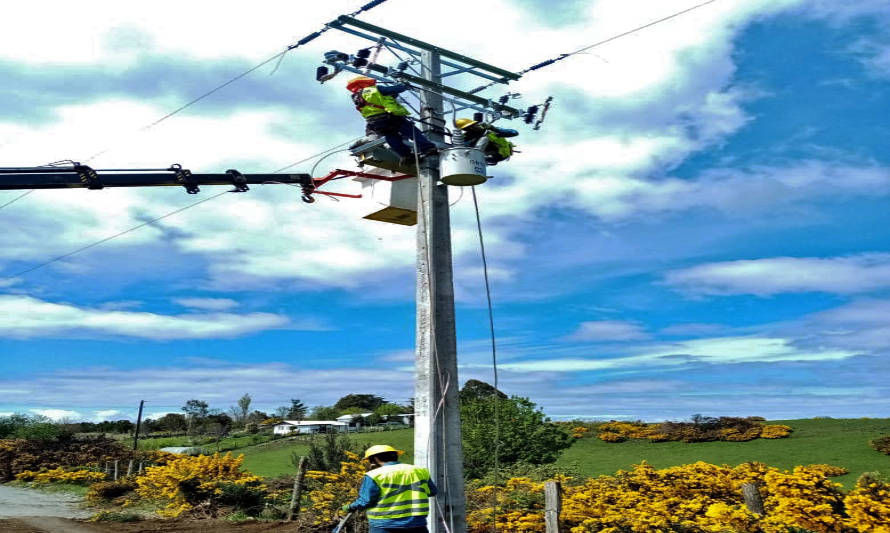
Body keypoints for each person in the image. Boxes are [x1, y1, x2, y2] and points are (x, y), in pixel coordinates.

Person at [342, 444, 438, 533]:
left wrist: (350, 507)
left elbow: (366, 501)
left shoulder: (374, 475)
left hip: (383, 525)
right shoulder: (419, 470)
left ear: (375, 459)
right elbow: (432, 491)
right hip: (417, 524)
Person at [347, 76, 438, 164]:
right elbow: (391, 90)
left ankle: (406, 156)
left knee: (391, 137)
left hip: (375, 123)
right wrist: (404, 85)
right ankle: (427, 148)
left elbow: (387, 96)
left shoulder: (356, 97)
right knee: (411, 131)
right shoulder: (373, 89)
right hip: (389, 117)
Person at [454, 118, 518, 165]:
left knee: (485, 137)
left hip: (499, 153)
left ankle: (477, 155)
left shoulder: (489, 131)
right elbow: (461, 148)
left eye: (474, 124)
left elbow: (514, 133)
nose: (475, 127)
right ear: (466, 129)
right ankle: (477, 157)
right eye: (470, 127)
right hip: (484, 156)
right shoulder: (467, 137)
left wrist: (493, 128)